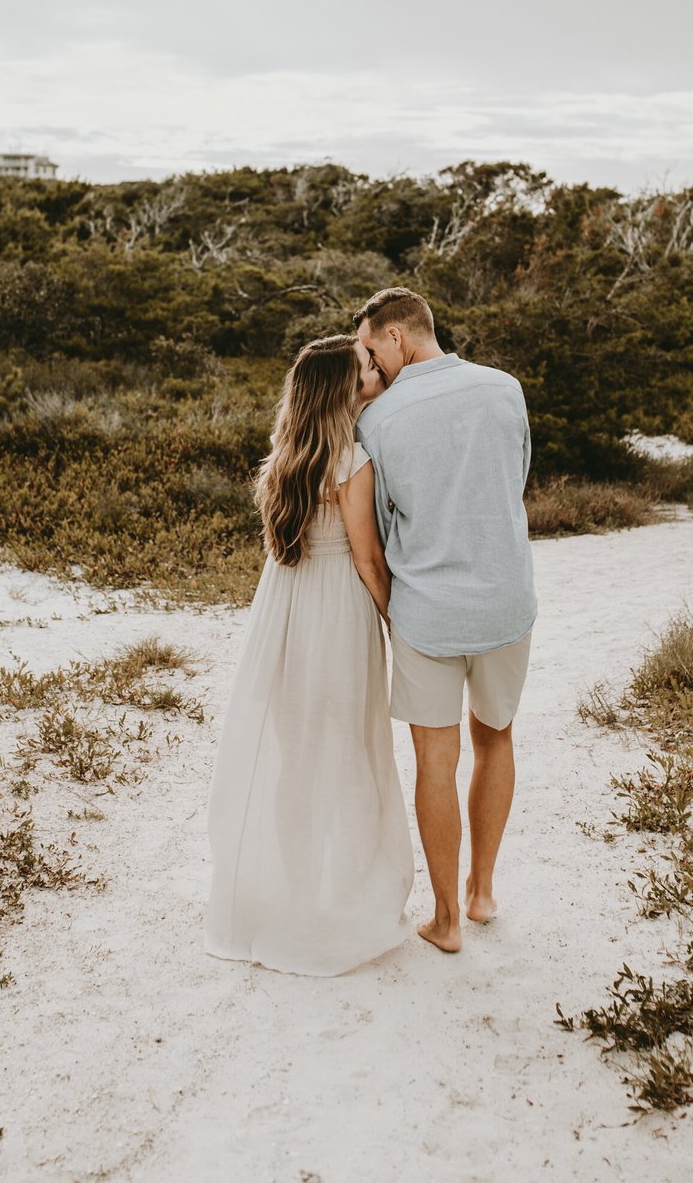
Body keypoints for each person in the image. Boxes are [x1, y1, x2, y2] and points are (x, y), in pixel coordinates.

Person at [204, 334, 414, 976]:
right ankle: (338, 903)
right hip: (337, 615)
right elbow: (368, 557)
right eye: (359, 370)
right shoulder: (351, 459)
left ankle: (288, 896)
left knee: (295, 752)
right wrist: (398, 623)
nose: (368, 375)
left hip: (286, 614)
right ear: (339, 392)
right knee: (347, 748)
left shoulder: (284, 461)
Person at [354, 288, 536, 954]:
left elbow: (379, 524)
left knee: (436, 758)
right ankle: (482, 891)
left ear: (397, 336)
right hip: (505, 598)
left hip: (426, 611)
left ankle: (446, 919)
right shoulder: (505, 389)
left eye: (373, 348)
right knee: (496, 739)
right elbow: (514, 480)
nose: (372, 363)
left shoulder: (375, 421)